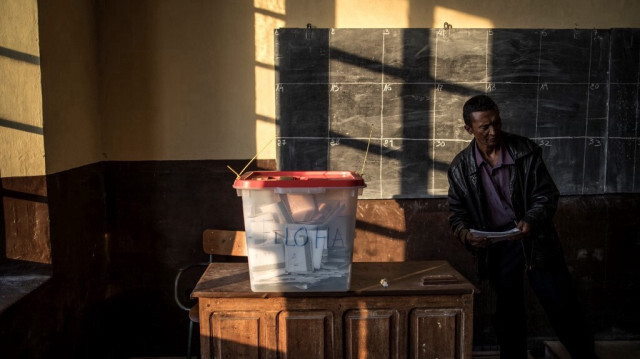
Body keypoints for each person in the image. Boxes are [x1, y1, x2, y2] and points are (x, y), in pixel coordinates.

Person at [447, 94, 598, 359]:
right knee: (508, 315)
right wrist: (467, 235)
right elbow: (457, 215)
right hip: (498, 247)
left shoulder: (525, 151)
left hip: (535, 241)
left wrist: (531, 220)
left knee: (562, 305)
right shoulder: (460, 168)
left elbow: (546, 195)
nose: (494, 131)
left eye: (497, 123)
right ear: (469, 130)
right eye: (485, 127)